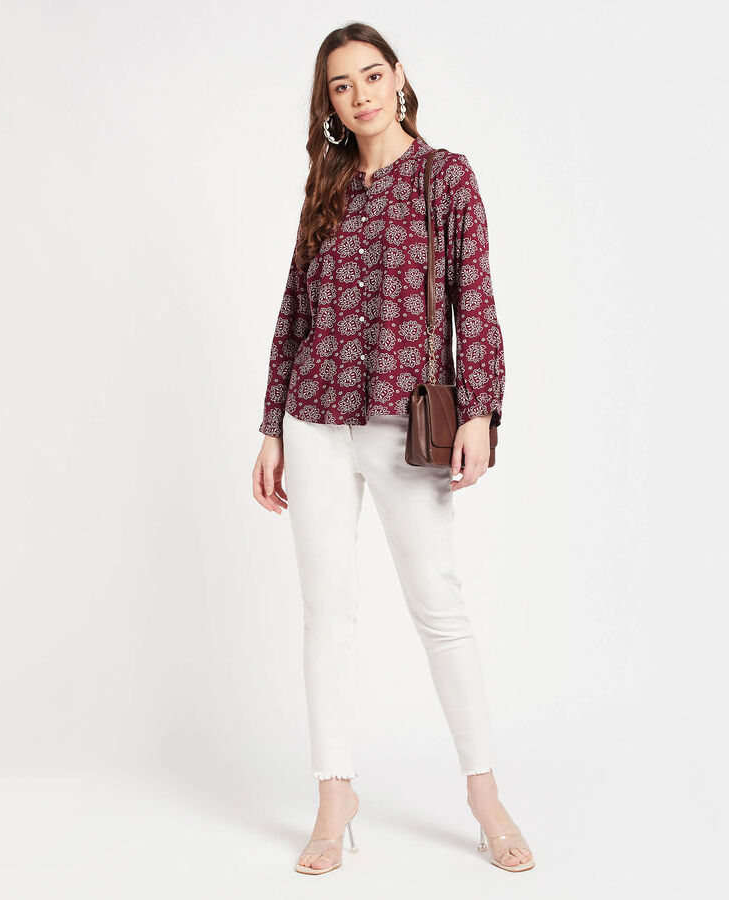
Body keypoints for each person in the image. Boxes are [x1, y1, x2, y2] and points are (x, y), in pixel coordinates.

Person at [251, 23, 534, 875]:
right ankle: (334, 795)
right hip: (313, 418)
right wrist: (271, 427)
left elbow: (474, 297)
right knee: (326, 613)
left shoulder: (446, 177)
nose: (361, 95)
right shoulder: (328, 183)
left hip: (405, 423)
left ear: (399, 77)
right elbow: (295, 309)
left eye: (371, 76)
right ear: (329, 103)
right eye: (341, 86)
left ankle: (484, 795)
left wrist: (480, 409)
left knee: (438, 605)